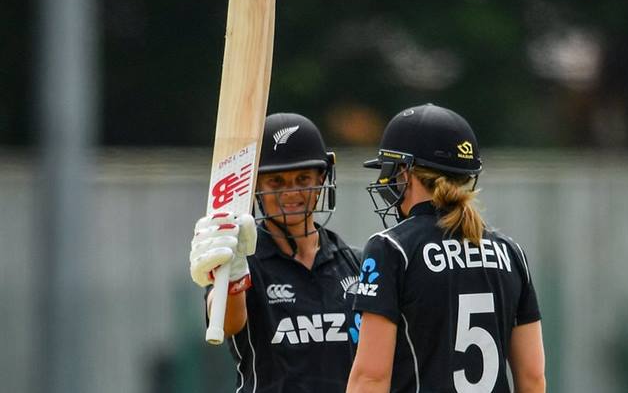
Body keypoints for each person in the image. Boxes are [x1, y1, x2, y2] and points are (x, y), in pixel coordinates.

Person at [346, 104, 546, 393]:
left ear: (406, 172)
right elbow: (533, 378)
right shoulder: (511, 253)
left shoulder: (390, 249)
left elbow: (371, 378)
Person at [189, 113, 362, 393]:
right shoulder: (244, 260)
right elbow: (227, 322)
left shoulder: (355, 262)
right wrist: (231, 277)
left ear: (322, 178)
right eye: (277, 182)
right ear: (255, 186)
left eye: (303, 178)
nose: (291, 192)